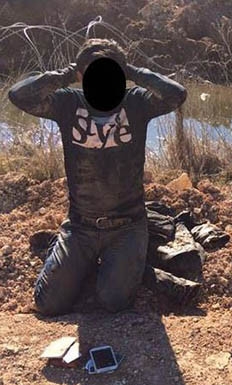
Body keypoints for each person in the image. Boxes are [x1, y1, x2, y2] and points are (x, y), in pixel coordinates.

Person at [8, 38, 187, 315]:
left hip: (128, 225)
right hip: (81, 226)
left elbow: (176, 94)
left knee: (112, 301)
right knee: (48, 304)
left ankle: (124, 261)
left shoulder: (136, 103)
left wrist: (131, 71)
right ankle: (73, 257)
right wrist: (70, 73)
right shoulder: (68, 103)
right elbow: (18, 95)